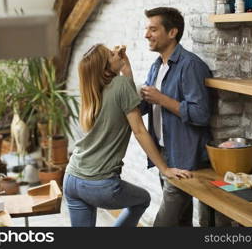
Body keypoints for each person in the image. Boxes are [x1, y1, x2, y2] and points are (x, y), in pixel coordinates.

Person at [63, 43, 192, 227]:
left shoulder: (92, 90)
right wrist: (165, 169)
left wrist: (126, 70)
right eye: (111, 54)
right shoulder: (120, 85)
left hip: (72, 179)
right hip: (100, 184)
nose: (116, 53)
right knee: (143, 199)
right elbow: (139, 130)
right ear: (105, 68)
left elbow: (124, 99)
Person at [139, 7, 219, 227]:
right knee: (181, 223)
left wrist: (162, 99)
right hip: (164, 153)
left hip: (186, 158)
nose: (147, 35)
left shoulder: (191, 65)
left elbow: (201, 114)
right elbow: (146, 105)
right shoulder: (157, 66)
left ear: (172, 32)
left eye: (153, 29)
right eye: (147, 29)